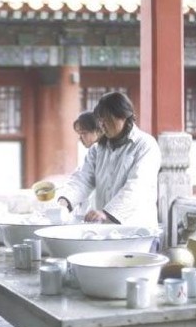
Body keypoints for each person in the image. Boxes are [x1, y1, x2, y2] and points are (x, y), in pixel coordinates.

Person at [57, 91, 161, 228]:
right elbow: (82, 178)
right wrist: (65, 202)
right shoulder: (98, 149)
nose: (102, 125)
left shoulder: (145, 145)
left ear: (123, 116)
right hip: (105, 230)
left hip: (136, 228)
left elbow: (137, 187)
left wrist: (108, 214)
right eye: (100, 120)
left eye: (106, 119)